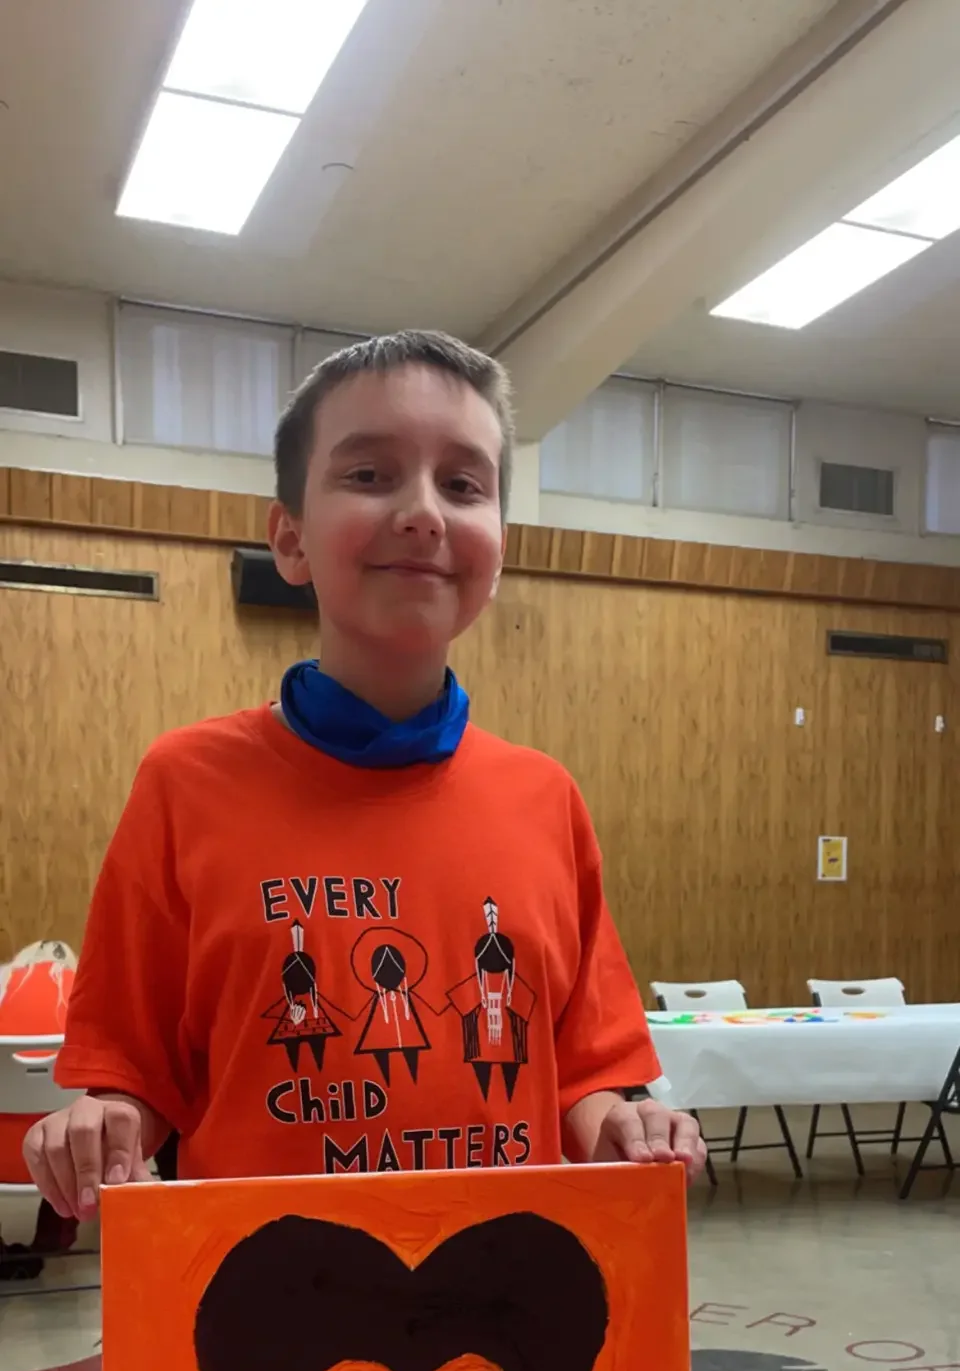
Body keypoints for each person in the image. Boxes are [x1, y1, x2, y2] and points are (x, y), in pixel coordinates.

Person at [23, 330, 705, 1215]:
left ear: (496, 551)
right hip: (267, 1297)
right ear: (291, 540)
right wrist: (100, 1122)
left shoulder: (546, 799)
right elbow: (138, 1078)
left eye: (464, 485)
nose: (423, 512)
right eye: (370, 475)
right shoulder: (185, 782)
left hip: (499, 1291)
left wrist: (622, 1124)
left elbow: (586, 1077)